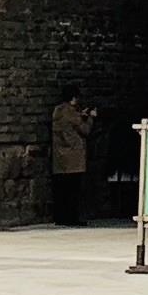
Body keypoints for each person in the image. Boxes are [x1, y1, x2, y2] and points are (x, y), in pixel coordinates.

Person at [46, 96, 98, 225]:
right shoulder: (72, 113)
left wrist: (81, 115)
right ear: (74, 98)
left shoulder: (57, 112)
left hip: (59, 157)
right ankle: (71, 218)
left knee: (61, 190)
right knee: (73, 190)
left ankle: (60, 217)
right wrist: (90, 118)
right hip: (74, 157)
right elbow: (84, 130)